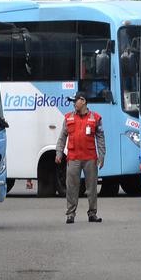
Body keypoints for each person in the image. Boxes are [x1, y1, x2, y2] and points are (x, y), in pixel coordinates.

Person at [55, 93, 105, 224]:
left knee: (92, 188)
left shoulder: (95, 118)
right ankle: (70, 214)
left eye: (75, 101)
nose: (73, 104)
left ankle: (92, 213)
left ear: (83, 101)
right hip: (73, 158)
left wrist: (102, 155)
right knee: (71, 187)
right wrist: (59, 153)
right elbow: (62, 137)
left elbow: (100, 138)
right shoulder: (68, 118)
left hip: (90, 158)